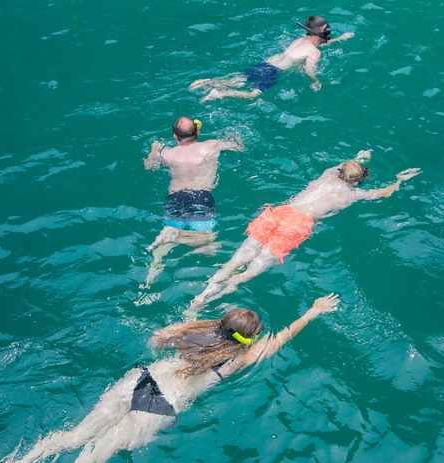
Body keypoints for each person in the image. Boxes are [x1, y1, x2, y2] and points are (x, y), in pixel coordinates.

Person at [0, 293, 341, 463]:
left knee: (73, 437)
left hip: (140, 379)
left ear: (221, 322)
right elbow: (282, 339)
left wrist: (200, 321)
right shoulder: (242, 357)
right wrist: (312, 310)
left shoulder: (195, 331)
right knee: (89, 460)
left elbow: (156, 340)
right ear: (247, 339)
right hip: (162, 405)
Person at [186, 150, 421, 315]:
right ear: (358, 182)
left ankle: (201, 297)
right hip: (297, 224)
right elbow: (383, 193)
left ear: (339, 172)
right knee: (249, 272)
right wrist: (399, 180)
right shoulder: (353, 194)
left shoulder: (327, 175)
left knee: (235, 260)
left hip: (279, 212)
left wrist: (360, 157)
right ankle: (213, 298)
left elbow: (346, 165)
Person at [142, 116, 242, 288]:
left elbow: (148, 166)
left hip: (175, 197)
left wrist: (153, 151)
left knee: (163, 247)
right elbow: (238, 146)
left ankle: (150, 277)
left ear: (175, 137)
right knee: (209, 248)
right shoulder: (211, 146)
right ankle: (188, 242)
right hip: (200, 197)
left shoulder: (166, 153)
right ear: (197, 132)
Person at [189, 16, 354, 102]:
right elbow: (309, 70)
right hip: (273, 72)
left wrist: (341, 39)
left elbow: (320, 44)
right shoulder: (314, 53)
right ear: (323, 33)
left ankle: (207, 81)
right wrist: (316, 81)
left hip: (265, 64)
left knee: (237, 79)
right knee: (253, 95)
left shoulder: (300, 40)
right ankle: (219, 93)